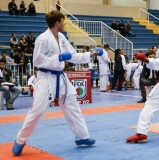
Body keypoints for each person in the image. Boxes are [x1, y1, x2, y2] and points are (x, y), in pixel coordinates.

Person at [12, 11, 99, 156]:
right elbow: (37, 61)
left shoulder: (62, 37)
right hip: (46, 78)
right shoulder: (42, 39)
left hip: (61, 77)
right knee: (38, 111)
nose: (64, 24)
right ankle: (20, 140)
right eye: (63, 22)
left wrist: (90, 54)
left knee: (72, 107)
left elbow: (72, 55)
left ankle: (82, 137)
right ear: (57, 22)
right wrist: (58, 57)